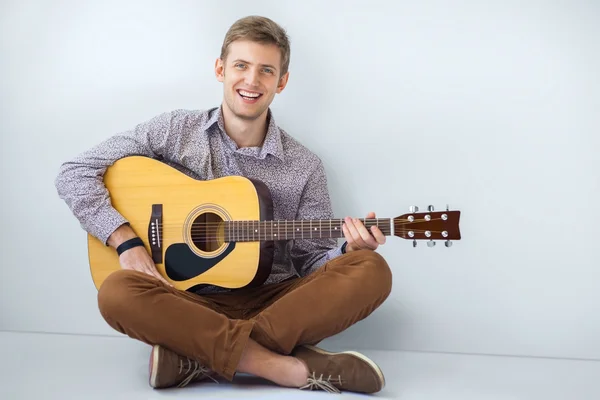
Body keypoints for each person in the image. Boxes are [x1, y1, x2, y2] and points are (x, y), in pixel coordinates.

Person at [55, 15, 392, 395]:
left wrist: (347, 249)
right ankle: (281, 368)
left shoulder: (305, 166)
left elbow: (311, 260)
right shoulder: (173, 130)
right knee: (116, 292)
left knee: (370, 269)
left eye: (266, 70)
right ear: (220, 69)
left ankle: (195, 357)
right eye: (241, 66)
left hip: (274, 303)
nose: (252, 81)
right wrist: (127, 242)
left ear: (281, 82)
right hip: (182, 299)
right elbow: (75, 171)